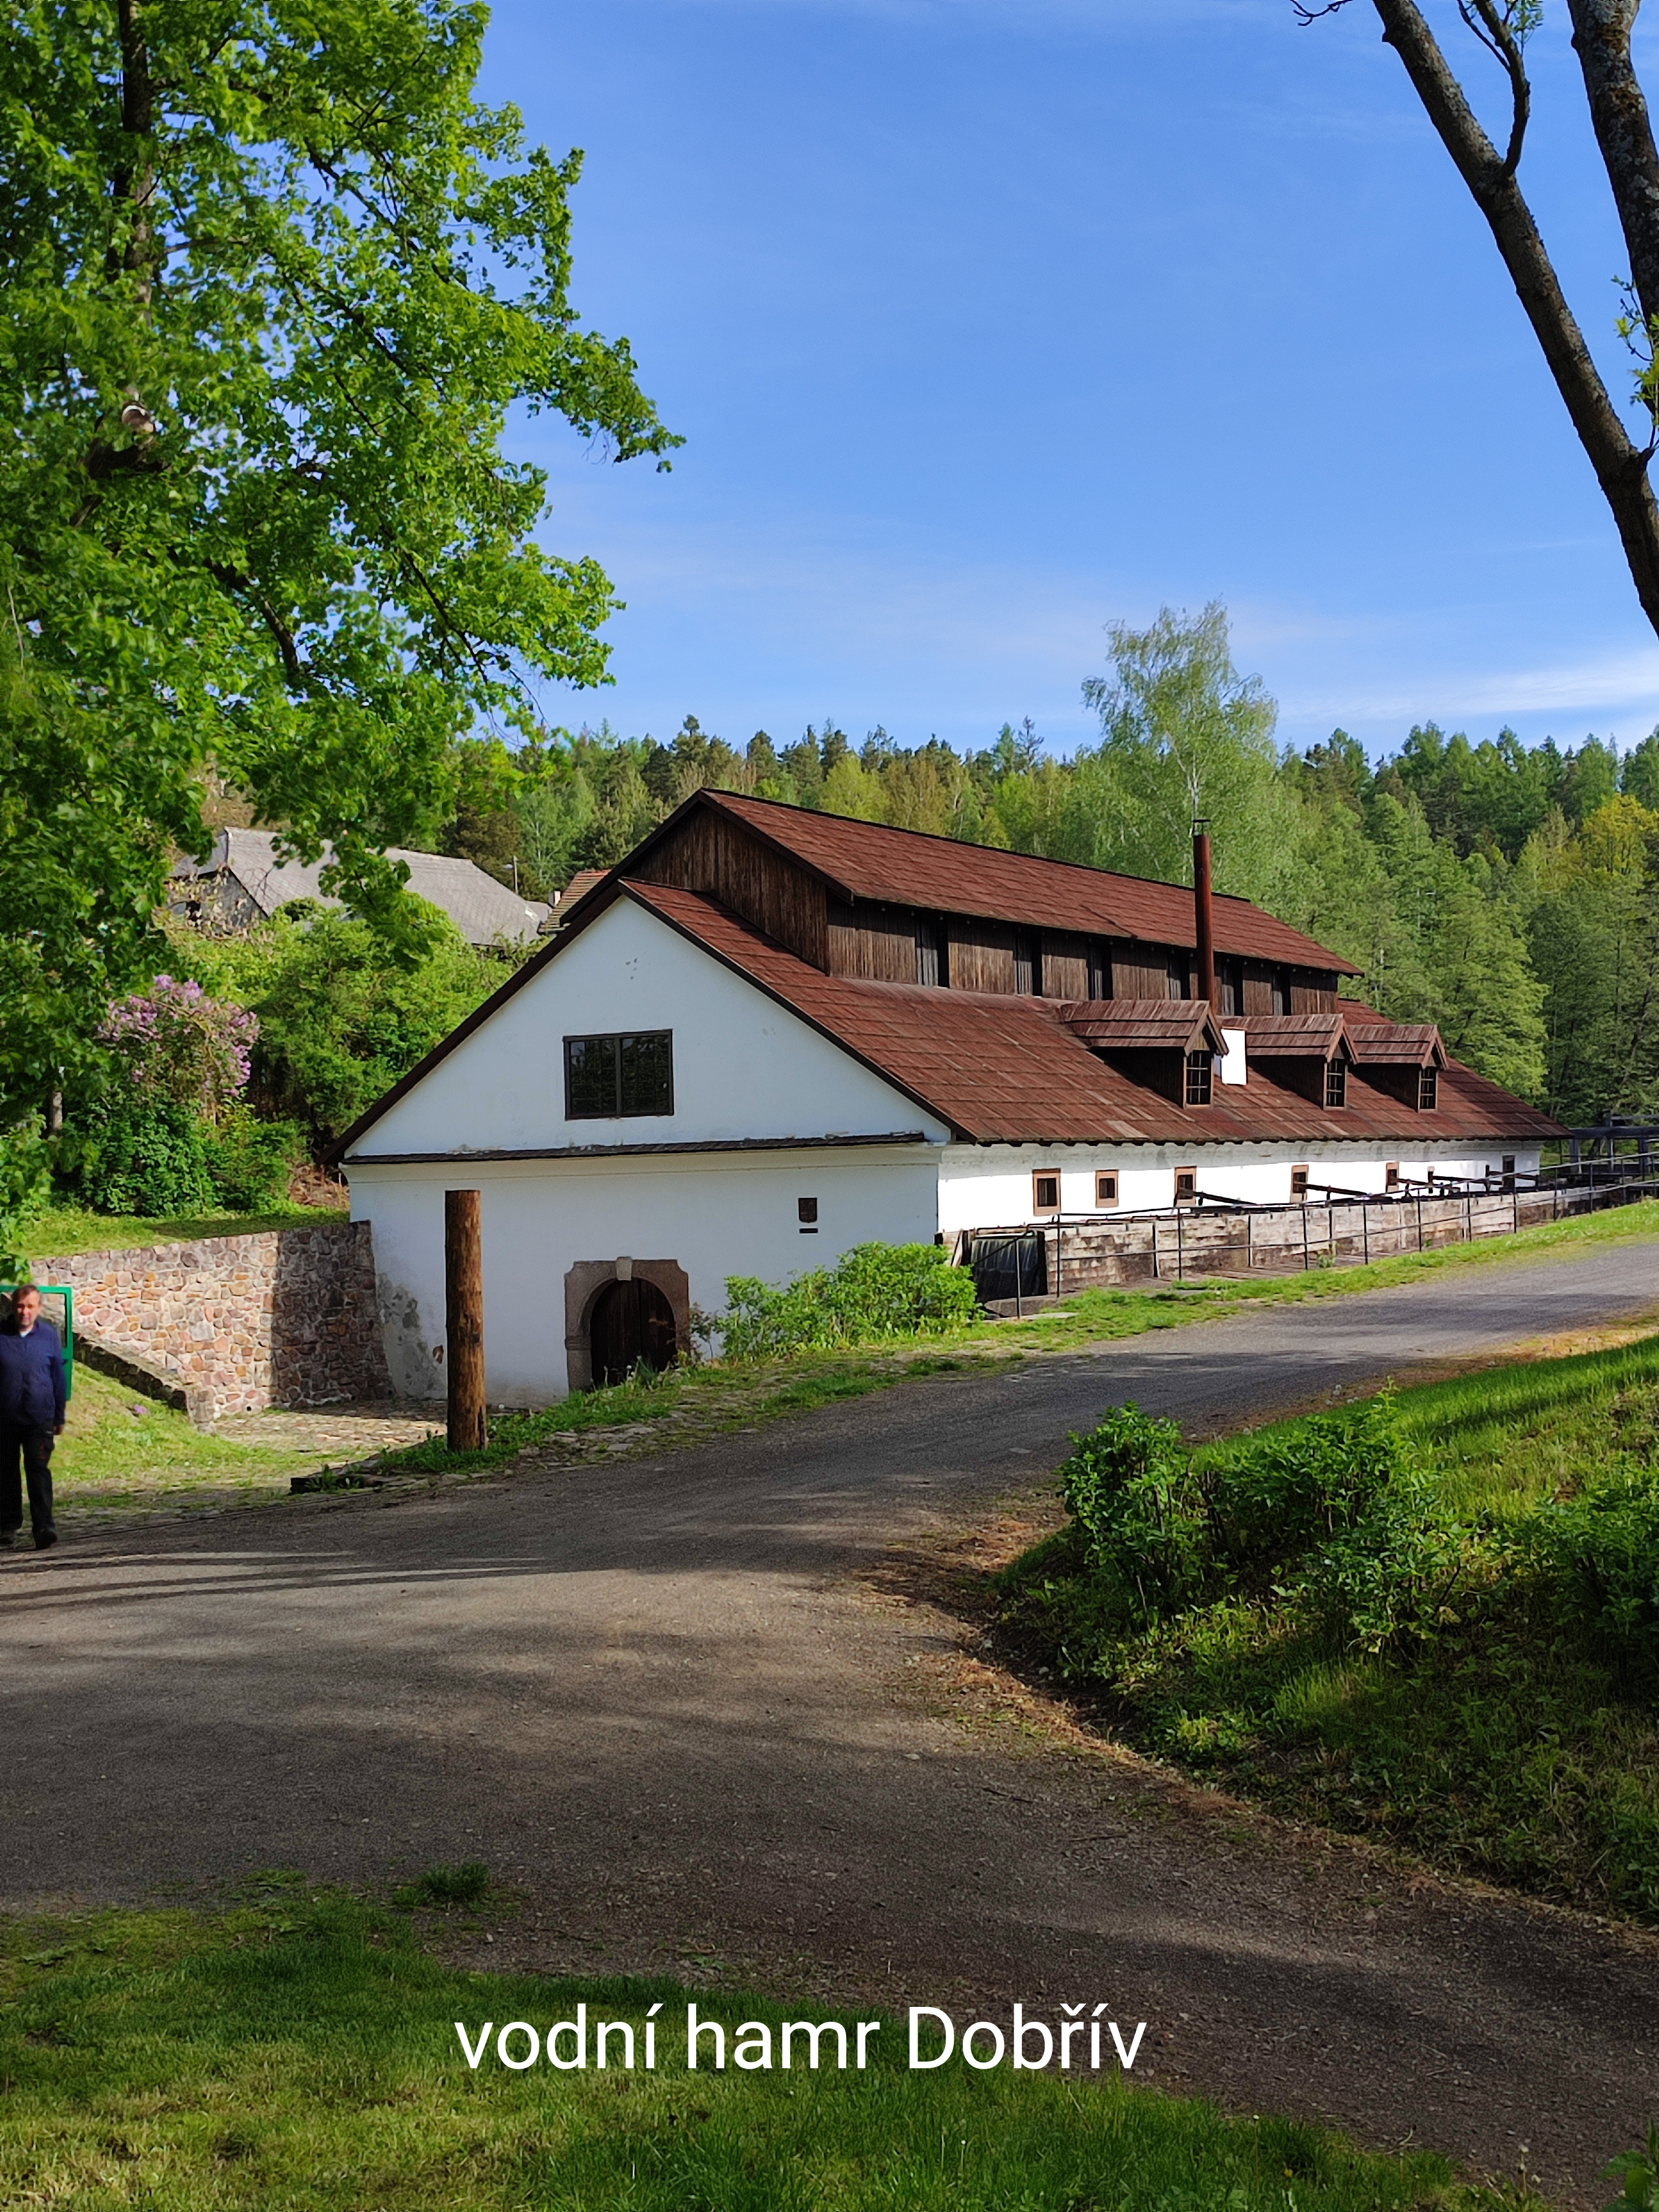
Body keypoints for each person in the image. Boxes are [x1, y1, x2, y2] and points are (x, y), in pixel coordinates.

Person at [0, 1284, 65, 1551]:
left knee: (38, 1472)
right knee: (5, 1474)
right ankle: (6, 1527)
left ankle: (44, 1527)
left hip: (39, 1417)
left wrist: (59, 1415)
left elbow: (57, 1379)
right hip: (4, 1418)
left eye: (30, 1306)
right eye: (20, 1306)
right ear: (13, 1307)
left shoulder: (48, 1336)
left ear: (38, 1308)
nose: (24, 1312)